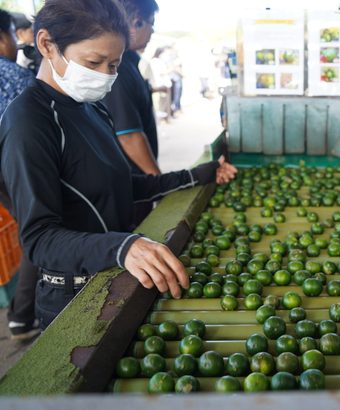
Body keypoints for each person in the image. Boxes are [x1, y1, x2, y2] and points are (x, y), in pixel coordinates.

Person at [0, 0, 237, 330]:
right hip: (72, 297)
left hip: (115, 277)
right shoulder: (29, 121)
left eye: (113, 65)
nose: (105, 77)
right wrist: (123, 246)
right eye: (94, 62)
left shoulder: (92, 109)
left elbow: (123, 184)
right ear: (46, 44)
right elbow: (40, 239)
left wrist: (198, 175)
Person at [103, 0, 161, 227]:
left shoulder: (130, 63)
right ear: (136, 21)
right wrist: (159, 184)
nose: (153, 30)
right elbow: (129, 135)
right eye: (151, 23)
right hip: (131, 186)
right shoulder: (119, 69)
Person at [0, 9, 39, 341]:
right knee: (38, 229)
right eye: (13, 35)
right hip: (12, 169)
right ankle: (22, 316)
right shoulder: (14, 76)